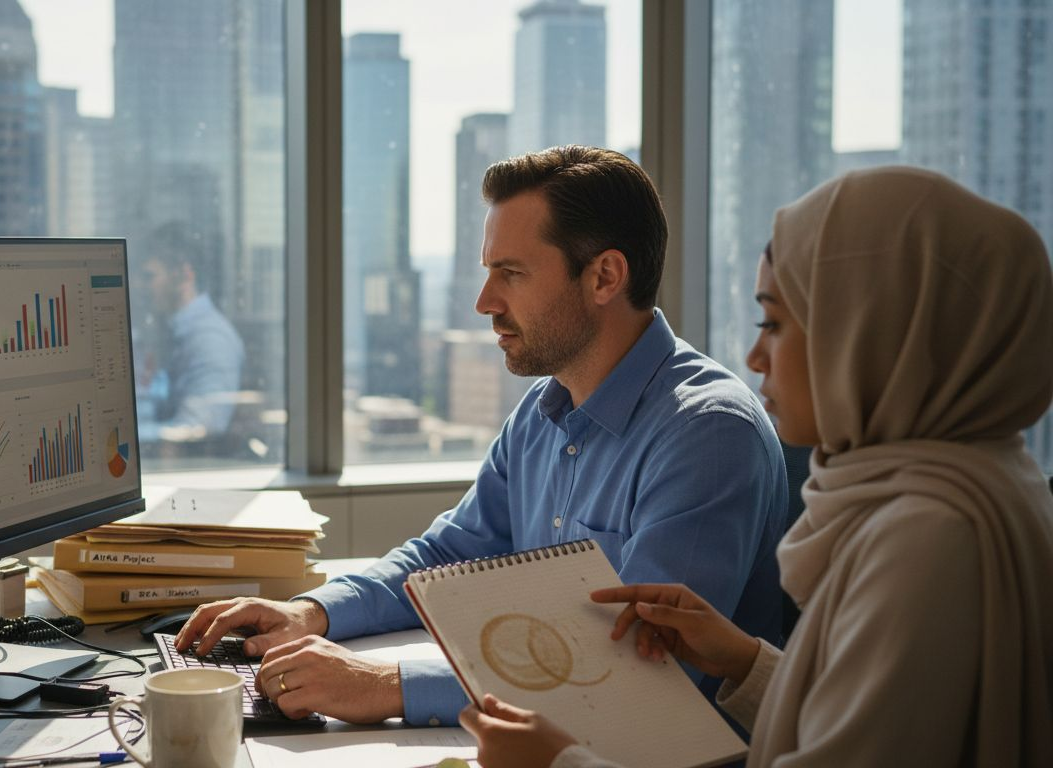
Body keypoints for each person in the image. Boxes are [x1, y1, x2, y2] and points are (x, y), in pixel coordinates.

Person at [175, 146, 789, 726]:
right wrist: (312, 612)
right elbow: (446, 558)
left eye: (510, 273)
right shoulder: (542, 413)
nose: (484, 301)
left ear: (604, 277)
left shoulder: (707, 435)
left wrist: (385, 685)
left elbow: (635, 672)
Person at [460, 166, 1053, 767]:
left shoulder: (930, 535)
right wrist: (745, 662)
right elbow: (871, 729)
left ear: (875, 336)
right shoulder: (954, 492)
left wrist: (559, 764)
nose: (754, 356)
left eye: (773, 323)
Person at [135, 220, 245, 446]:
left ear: (184, 275)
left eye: (149, 277)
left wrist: (121, 440)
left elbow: (198, 429)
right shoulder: (169, 332)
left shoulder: (211, 340)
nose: (141, 287)